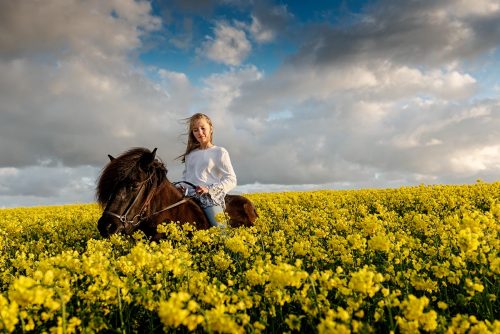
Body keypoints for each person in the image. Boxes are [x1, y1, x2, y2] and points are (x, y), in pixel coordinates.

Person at [177, 113, 237, 227]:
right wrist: (180, 186)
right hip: (188, 197)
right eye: (195, 130)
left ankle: (224, 239)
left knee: (220, 231)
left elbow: (231, 179)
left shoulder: (220, 152)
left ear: (211, 129)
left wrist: (208, 189)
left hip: (208, 199)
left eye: (203, 128)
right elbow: (186, 177)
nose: (200, 132)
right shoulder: (190, 155)